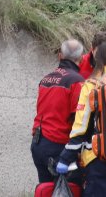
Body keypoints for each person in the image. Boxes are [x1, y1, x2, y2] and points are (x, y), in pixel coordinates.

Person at [57, 41, 106, 197]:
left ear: (98, 61)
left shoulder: (92, 85)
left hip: (98, 157)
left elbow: (81, 127)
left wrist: (65, 158)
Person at [31, 39, 85, 183]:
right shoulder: (77, 82)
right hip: (58, 146)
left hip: (38, 143)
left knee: (46, 189)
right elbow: (78, 119)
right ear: (80, 58)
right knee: (67, 190)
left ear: (60, 56)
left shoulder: (46, 79)